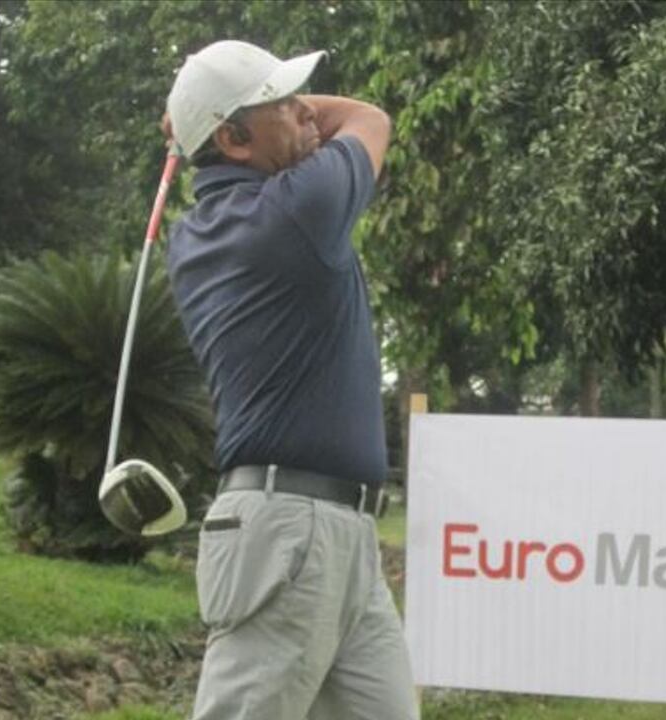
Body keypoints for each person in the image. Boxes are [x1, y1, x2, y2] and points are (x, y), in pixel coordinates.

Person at [162, 40, 419, 720]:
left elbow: (315, 124)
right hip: (290, 532)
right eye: (282, 102)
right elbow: (368, 118)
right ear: (234, 139)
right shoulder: (298, 209)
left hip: (334, 533)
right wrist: (194, 120)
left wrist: (197, 120)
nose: (307, 111)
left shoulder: (193, 234)